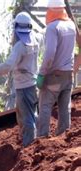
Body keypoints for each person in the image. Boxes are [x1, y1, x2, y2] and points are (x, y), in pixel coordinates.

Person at [0, 11, 42, 147]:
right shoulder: (35, 40)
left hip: (23, 86)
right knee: (32, 114)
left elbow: (8, 65)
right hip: (32, 84)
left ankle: (28, 145)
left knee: (26, 118)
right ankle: (35, 141)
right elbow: (43, 34)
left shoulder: (20, 46)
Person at [36, 0, 76, 138]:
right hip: (69, 74)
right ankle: (64, 136)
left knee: (45, 105)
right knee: (65, 107)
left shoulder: (52, 28)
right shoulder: (71, 25)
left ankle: (42, 137)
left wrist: (41, 74)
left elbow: (49, 54)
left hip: (55, 74)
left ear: (50, 11)